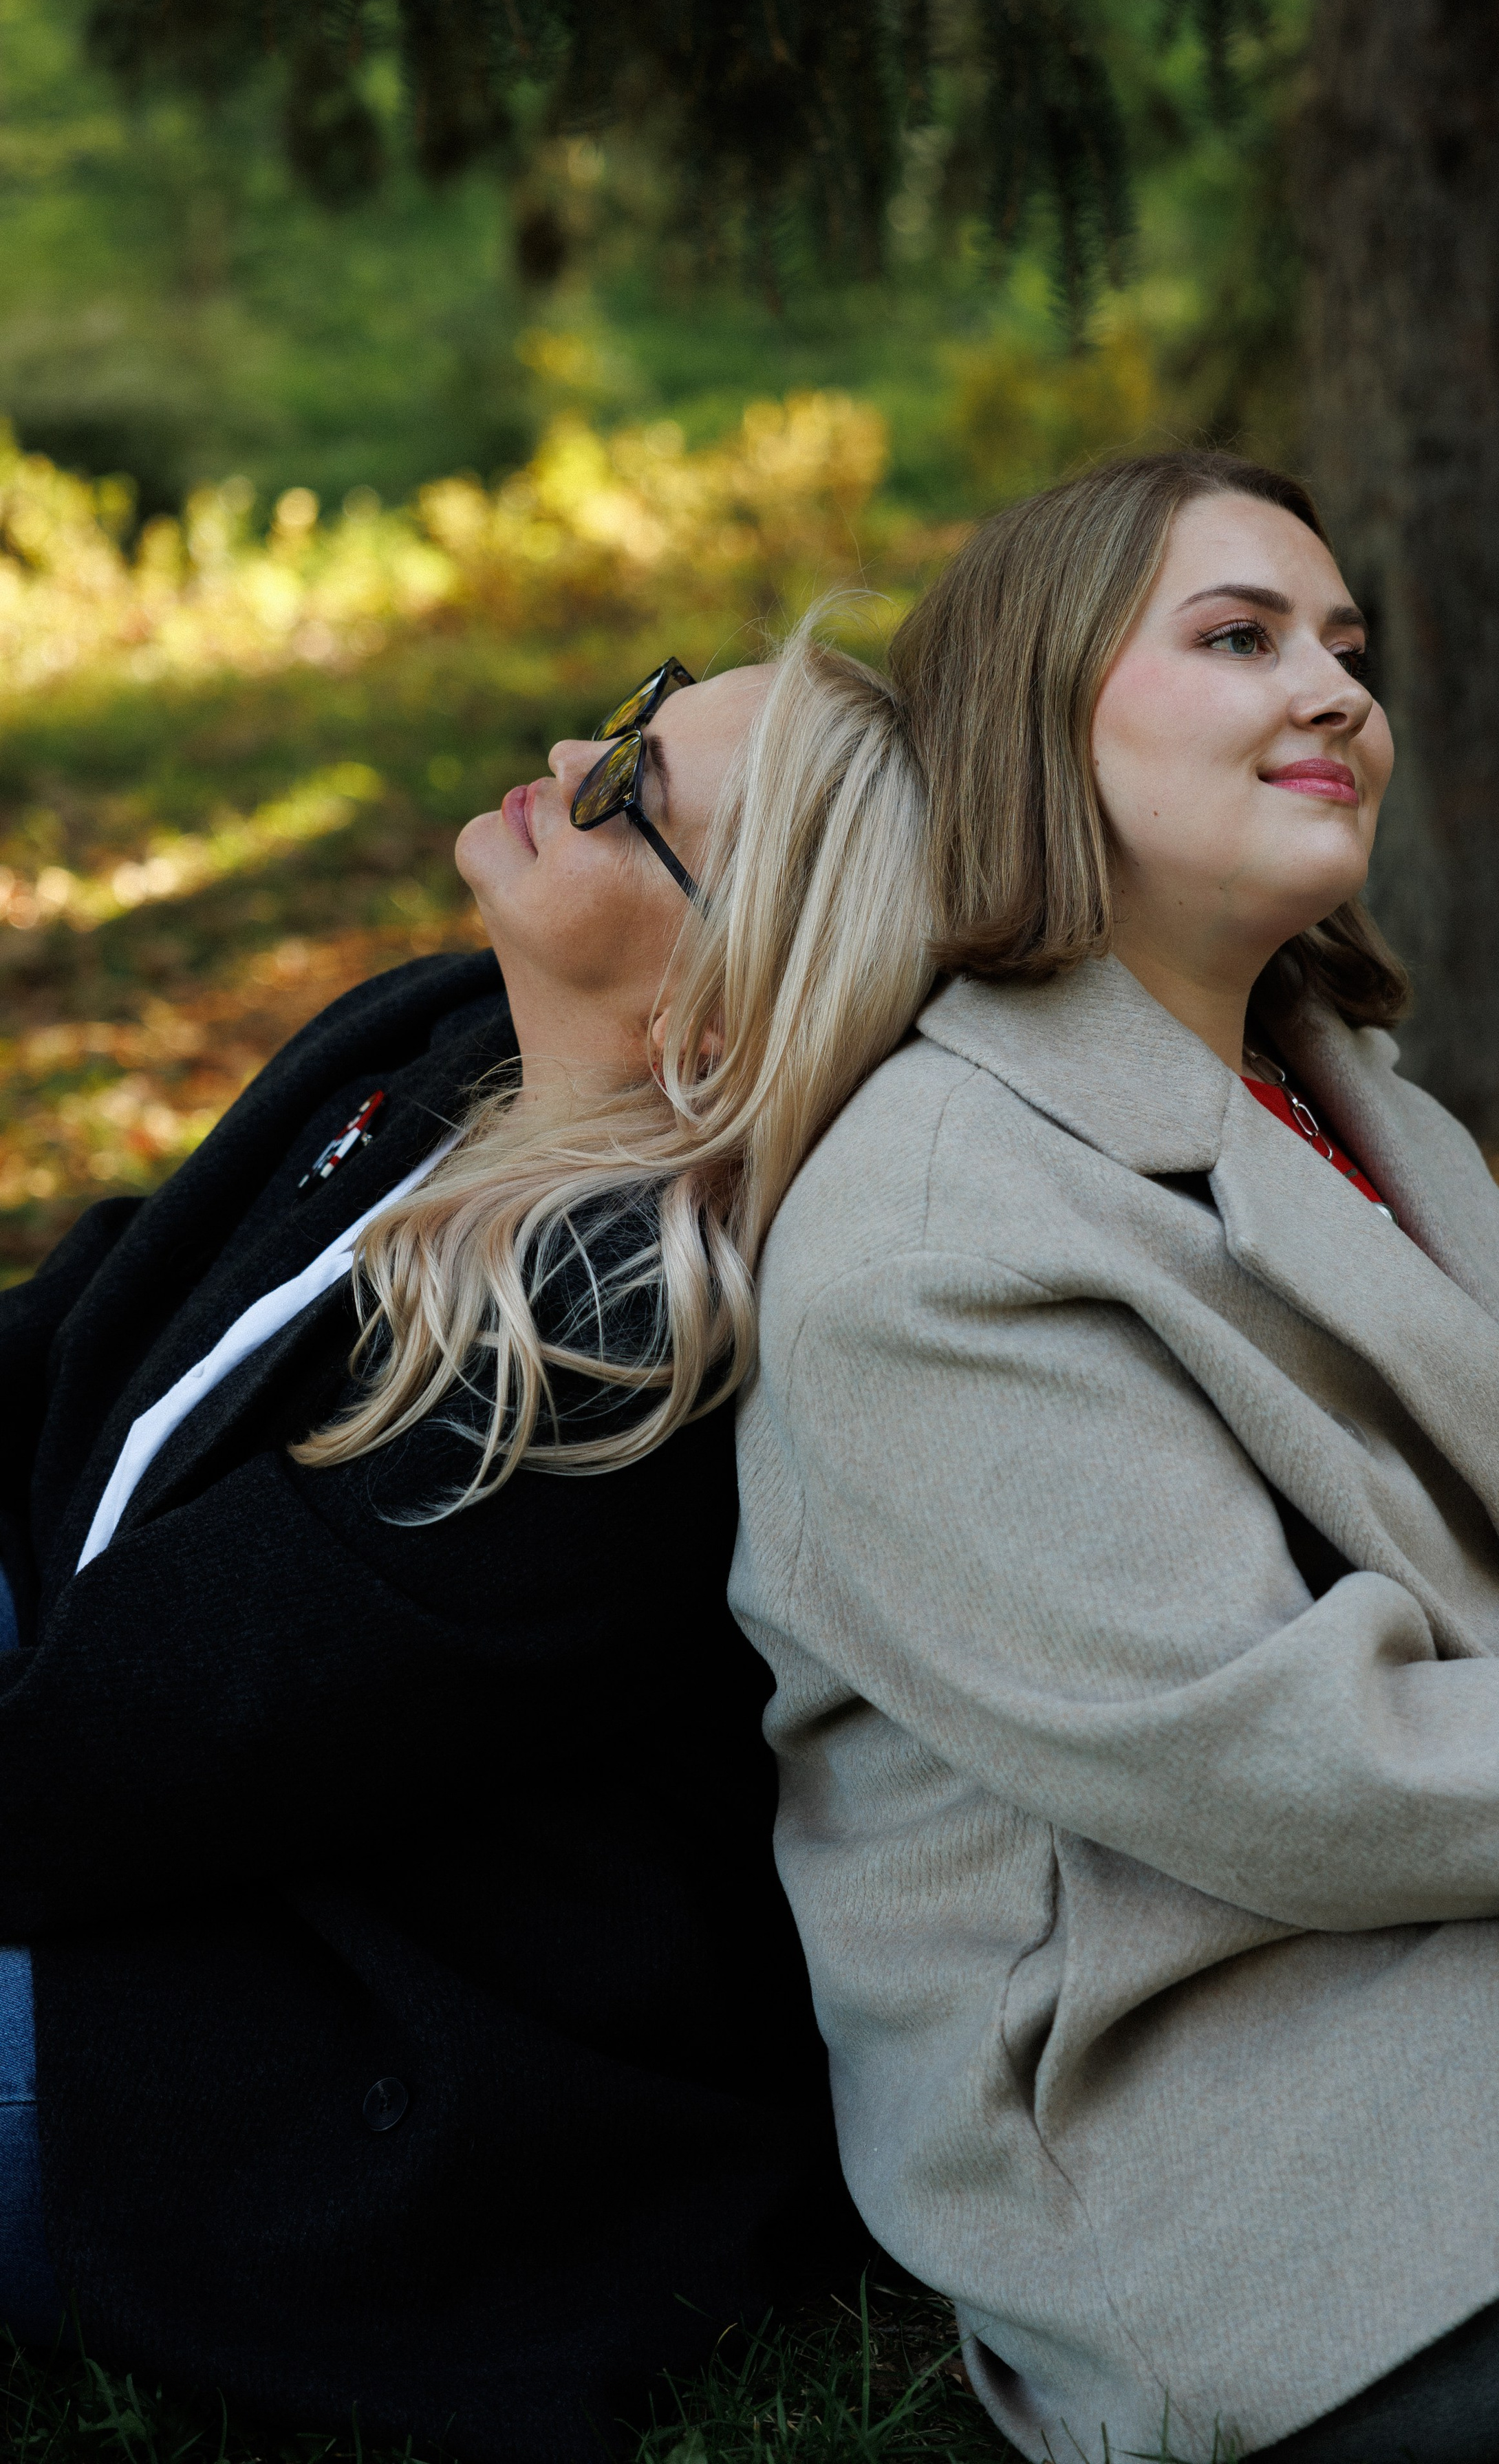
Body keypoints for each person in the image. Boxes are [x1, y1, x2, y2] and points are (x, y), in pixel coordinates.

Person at [731, 452, 1499, 2464]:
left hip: (1489, 1955)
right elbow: (1283, 1769)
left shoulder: (1354, 1106)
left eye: (1347, 647)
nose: (1337, 692)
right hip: (1239, 2146)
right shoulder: (939, 1227)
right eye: (1239, 639)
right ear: (1035, 712)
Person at [0, 642, 930, 2464]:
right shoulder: (449, 1039)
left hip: (296, 2056)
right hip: (108, 1746)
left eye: (631, 799)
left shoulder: (606, 1369)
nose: (569, 749)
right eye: (632, 715)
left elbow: (103, 1770)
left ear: (724, 1003)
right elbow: (95, 1319)